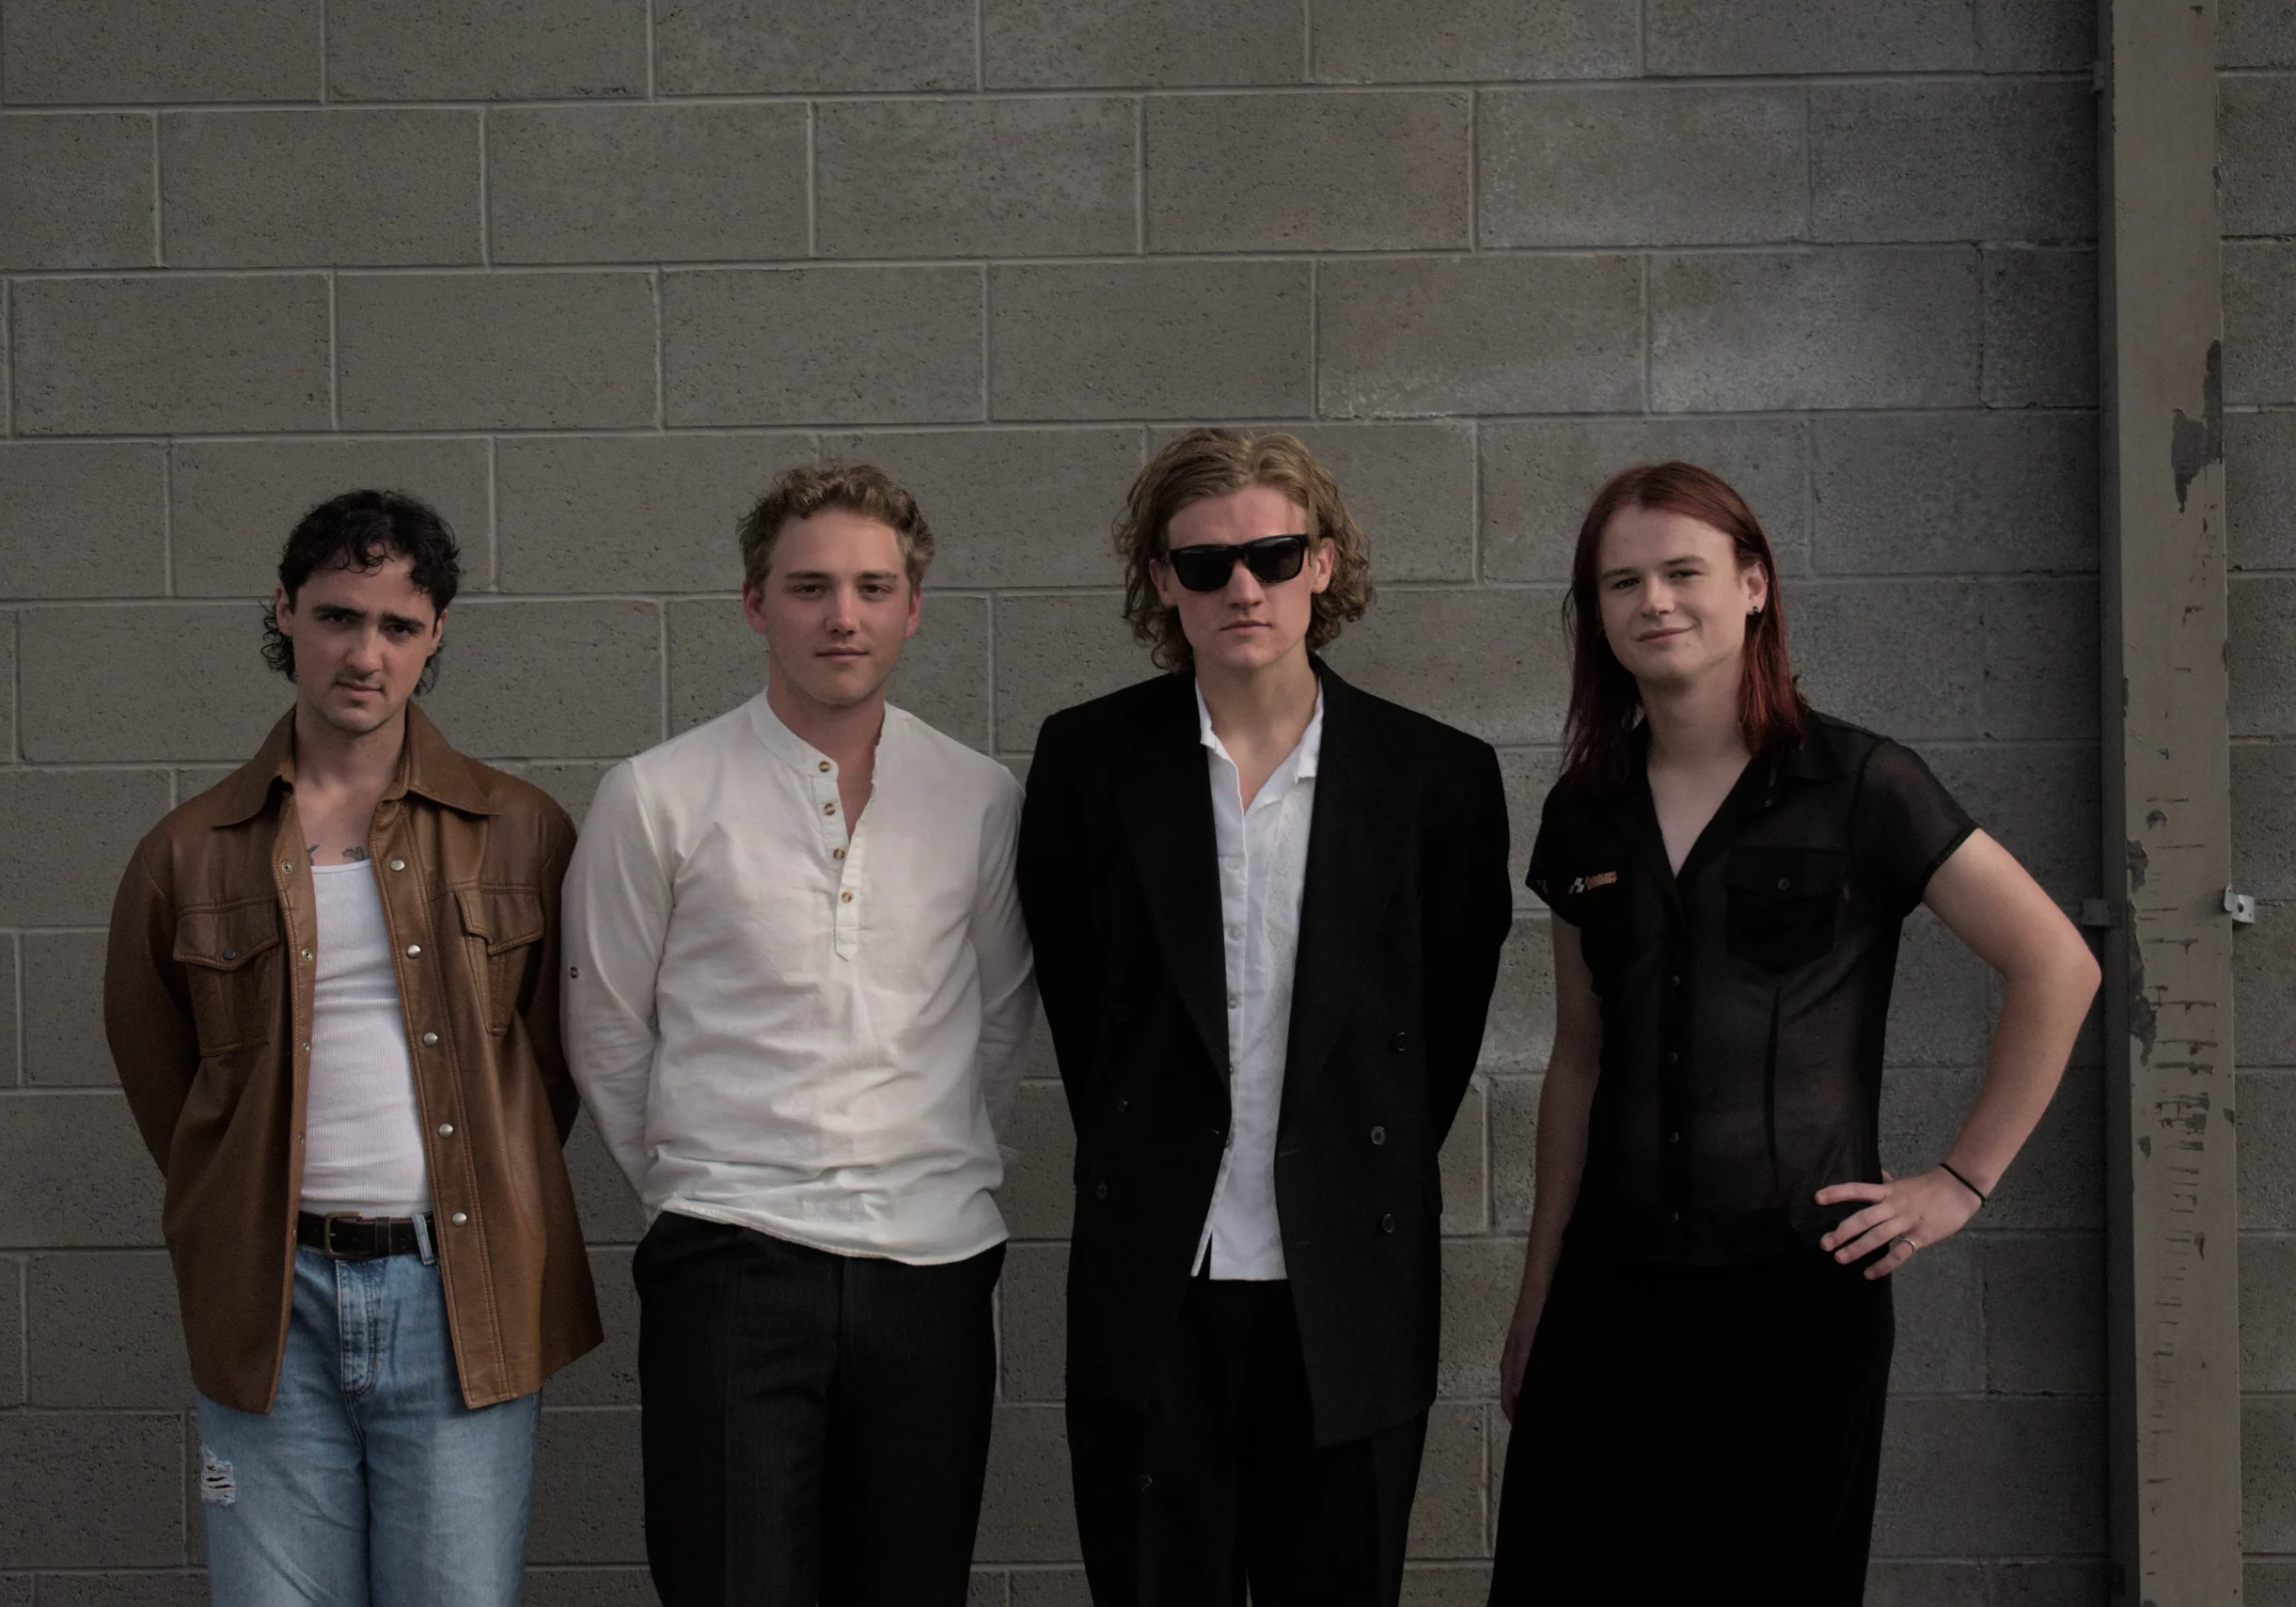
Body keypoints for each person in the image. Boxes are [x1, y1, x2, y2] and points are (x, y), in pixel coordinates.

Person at [1487, 463, 2104, 1604]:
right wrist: (1537, 1293)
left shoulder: (1861, 782)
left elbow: (2058, 963)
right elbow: (1579, 1059)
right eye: (1622, 581)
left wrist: (1961, 1181)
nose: (1654, 601)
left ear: (1754, 584)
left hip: (1794, 1299)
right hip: (1611, 1292)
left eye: (1684, 571)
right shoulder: (1584, 806)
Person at [1019, 428, 1513, 1605]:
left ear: (1323, 566)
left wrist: (1345, 1162)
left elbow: (1436, 1035)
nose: (1242, 587)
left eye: (1273, 555)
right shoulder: (1090, 760)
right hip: (1156, 1278)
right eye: (1204, 565)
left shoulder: (1435, 776)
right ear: (1161, 582)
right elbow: (1084, 1015)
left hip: (1347, 1288)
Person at [104, 490, 599, 1606]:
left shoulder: (521, 828)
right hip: (268, 1298)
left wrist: (487, 1180)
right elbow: (162, 1076)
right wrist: (238, 1195)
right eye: (336, 616)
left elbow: (552, 1065)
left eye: (398, 625)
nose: (364, 653)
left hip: (461, 1292)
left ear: (437, 637)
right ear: (284, 613)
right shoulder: (186, 852)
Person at [562, 463, 1035, 1607]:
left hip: (931, 1271)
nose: (843, 615)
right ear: (753, 602)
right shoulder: (658, 794)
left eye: (874, 587)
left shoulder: (980, 796)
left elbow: (999, 1017)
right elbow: (607, 1027)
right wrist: (700, 1181)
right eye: (810, 585)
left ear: (913, 607)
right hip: (731, 1259)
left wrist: (911, 1157)